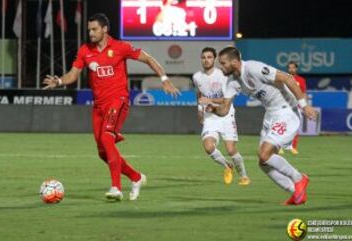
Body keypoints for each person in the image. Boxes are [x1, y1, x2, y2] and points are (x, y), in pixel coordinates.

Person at [43, 13, 180, 201]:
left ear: (105, 29)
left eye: (94, 29)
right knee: (102, 152)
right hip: (99, 106)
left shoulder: (120, 47)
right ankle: (136, 177)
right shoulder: (85, 51)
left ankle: (116, 188)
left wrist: (164, 79)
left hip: (119, 100)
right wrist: (59, 81)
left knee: (107, 139)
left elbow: (148, 58)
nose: (90, 33)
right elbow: (73, 75)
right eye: (89, 29)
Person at [199, 46, 317, 205]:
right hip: (270, 115)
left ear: (234, 62)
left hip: (286, 111)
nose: (221, 67)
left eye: (223, 63)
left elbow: (288, 78)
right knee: (263, 163)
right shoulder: (232, 81)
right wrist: (214, 109)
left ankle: (299, 178)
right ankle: (296, 193)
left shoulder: (254, 68)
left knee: (264, 154)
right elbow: (225, 109)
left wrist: (304, 105)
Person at [193, 47, 250, 186]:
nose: (206, 60)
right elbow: (199, 95)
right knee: (208, 147)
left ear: (214, 59)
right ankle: (227, 166)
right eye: (203, 57)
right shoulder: (196, 77)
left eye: (209, 57)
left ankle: (244, 176)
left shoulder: (223, 75)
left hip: (226, 114)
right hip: (210, 116)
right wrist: (200, 110)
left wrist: (208, 100)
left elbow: (226, 99)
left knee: (231, 149)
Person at [286, 61, 307, 155]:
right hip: (285, 106)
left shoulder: (301, 80)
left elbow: (303, 94)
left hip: (296, 107)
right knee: (284, 127)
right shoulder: (284, 78)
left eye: (293, 67)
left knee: (295, 127)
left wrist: (305, 106)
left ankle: (293, 147)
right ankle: (280, 147)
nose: (291, 69)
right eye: (290, 68)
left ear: (296, 69)